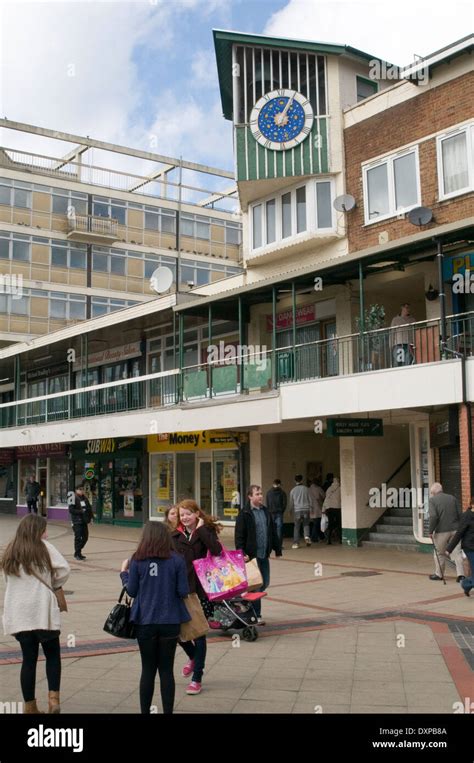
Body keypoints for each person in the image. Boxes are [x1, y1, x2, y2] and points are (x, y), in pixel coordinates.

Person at [1, 514, 70, 714]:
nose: (46, 533)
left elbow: (8, 580)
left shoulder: (11, 550)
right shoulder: (45, 547)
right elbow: (65, 569)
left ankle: (30, 706)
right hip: (43, 612)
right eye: (44, 529)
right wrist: (54, 582)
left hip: (20, 613)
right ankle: (53, 699)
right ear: (38, 531)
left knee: (28, 660)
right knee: (53, 655)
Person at [120, 521, 190, 714]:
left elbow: (132, 592)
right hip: (170, 620)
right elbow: (183, 591)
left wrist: (123, 574)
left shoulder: (137, 559)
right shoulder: (176, 559)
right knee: (167, 670)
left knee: (148, 670)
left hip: (145, 621)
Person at [171, 499, 222, 696]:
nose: (185, 518)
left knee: (199, 634)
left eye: (188, 514)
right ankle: (193, 657)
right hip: (181, 590)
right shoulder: (174, 535)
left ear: (196, 514)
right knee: (177, 632)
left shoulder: (205, 532)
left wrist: (201, 530)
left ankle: (197, 678)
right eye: (181, 514)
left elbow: (217, 551)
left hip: (201, 590)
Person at [235, 485, 282, 625]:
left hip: (264, 554)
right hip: (251, 557)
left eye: (261, 493)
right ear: (250, 496)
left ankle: (245, 603)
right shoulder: (244, 513)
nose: (260, 496)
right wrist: (241, 553)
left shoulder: (266, 511)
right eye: (257, 494)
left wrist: (277, 549)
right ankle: (256, 615)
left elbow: (272, 531)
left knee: (264, 582)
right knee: (256, 585)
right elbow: (239, 536)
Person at [428, 482, 464, 581]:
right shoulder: (452, 498)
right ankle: (461, 575)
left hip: (441, 531)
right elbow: (460, 514)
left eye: (432, 493)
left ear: (434, 492)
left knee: (440, 553)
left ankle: (439, 574)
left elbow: (433, 516)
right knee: (457, 552)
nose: (432, 494)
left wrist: (430, 531)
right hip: (455, 530)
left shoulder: (432, 500)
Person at [446, 497, 474, 597]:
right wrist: (449, 549)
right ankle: (465, 584)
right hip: (470, 548)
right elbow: (459, 533)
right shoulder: (466, 516)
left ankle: (466, 585)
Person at [69, 485, 94, 561]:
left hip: (84, 521)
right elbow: (71, 510)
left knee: (85, 537)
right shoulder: (72, 497)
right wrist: (81, 511)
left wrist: (91, 518)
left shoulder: (85, 498)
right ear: (76, 490)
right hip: (76, 521)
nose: (82, 491)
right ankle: (77, 553)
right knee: (78, 538)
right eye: (80, 489)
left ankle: (78, 551)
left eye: (83, 489)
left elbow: (89, 508)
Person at [289, 475, 312, 549]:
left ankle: (296, 543)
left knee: (296, 527)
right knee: (306, 524)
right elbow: (310, 499)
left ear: (295, 481)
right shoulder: (306, 489)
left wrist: (290, 510)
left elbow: (291, 502)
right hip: (306, 509)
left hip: (297, 510)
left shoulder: (293, 490)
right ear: (302, 480)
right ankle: (306, 536)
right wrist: (311, 508)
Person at [266, 479, 287, 546]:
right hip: (279, 513)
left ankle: (271, 544)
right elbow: (284, 503)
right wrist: (282, 510)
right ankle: (278, 545)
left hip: (271, 512)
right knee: (279, 529)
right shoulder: (282, 493)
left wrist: (269, 511)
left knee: (271, 529)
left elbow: (267, 503)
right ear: (279, 484)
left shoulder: (269, 492)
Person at [322, 476, 342, 544]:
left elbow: (326, 499)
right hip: (338, 508)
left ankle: (329, 540)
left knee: (330, 523)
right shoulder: (340, 489)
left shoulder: (329, 489)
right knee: (339, 523)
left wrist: (323, 508)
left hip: (329, 508)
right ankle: (340, 539)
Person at [309, 478, 326, 542]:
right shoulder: (318, 489)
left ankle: (321, 537)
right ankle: (314, 537)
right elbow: (324, 496)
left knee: (316, 523)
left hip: (310, 508)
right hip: (318, 508)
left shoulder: (308, 489)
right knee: (317, 523)